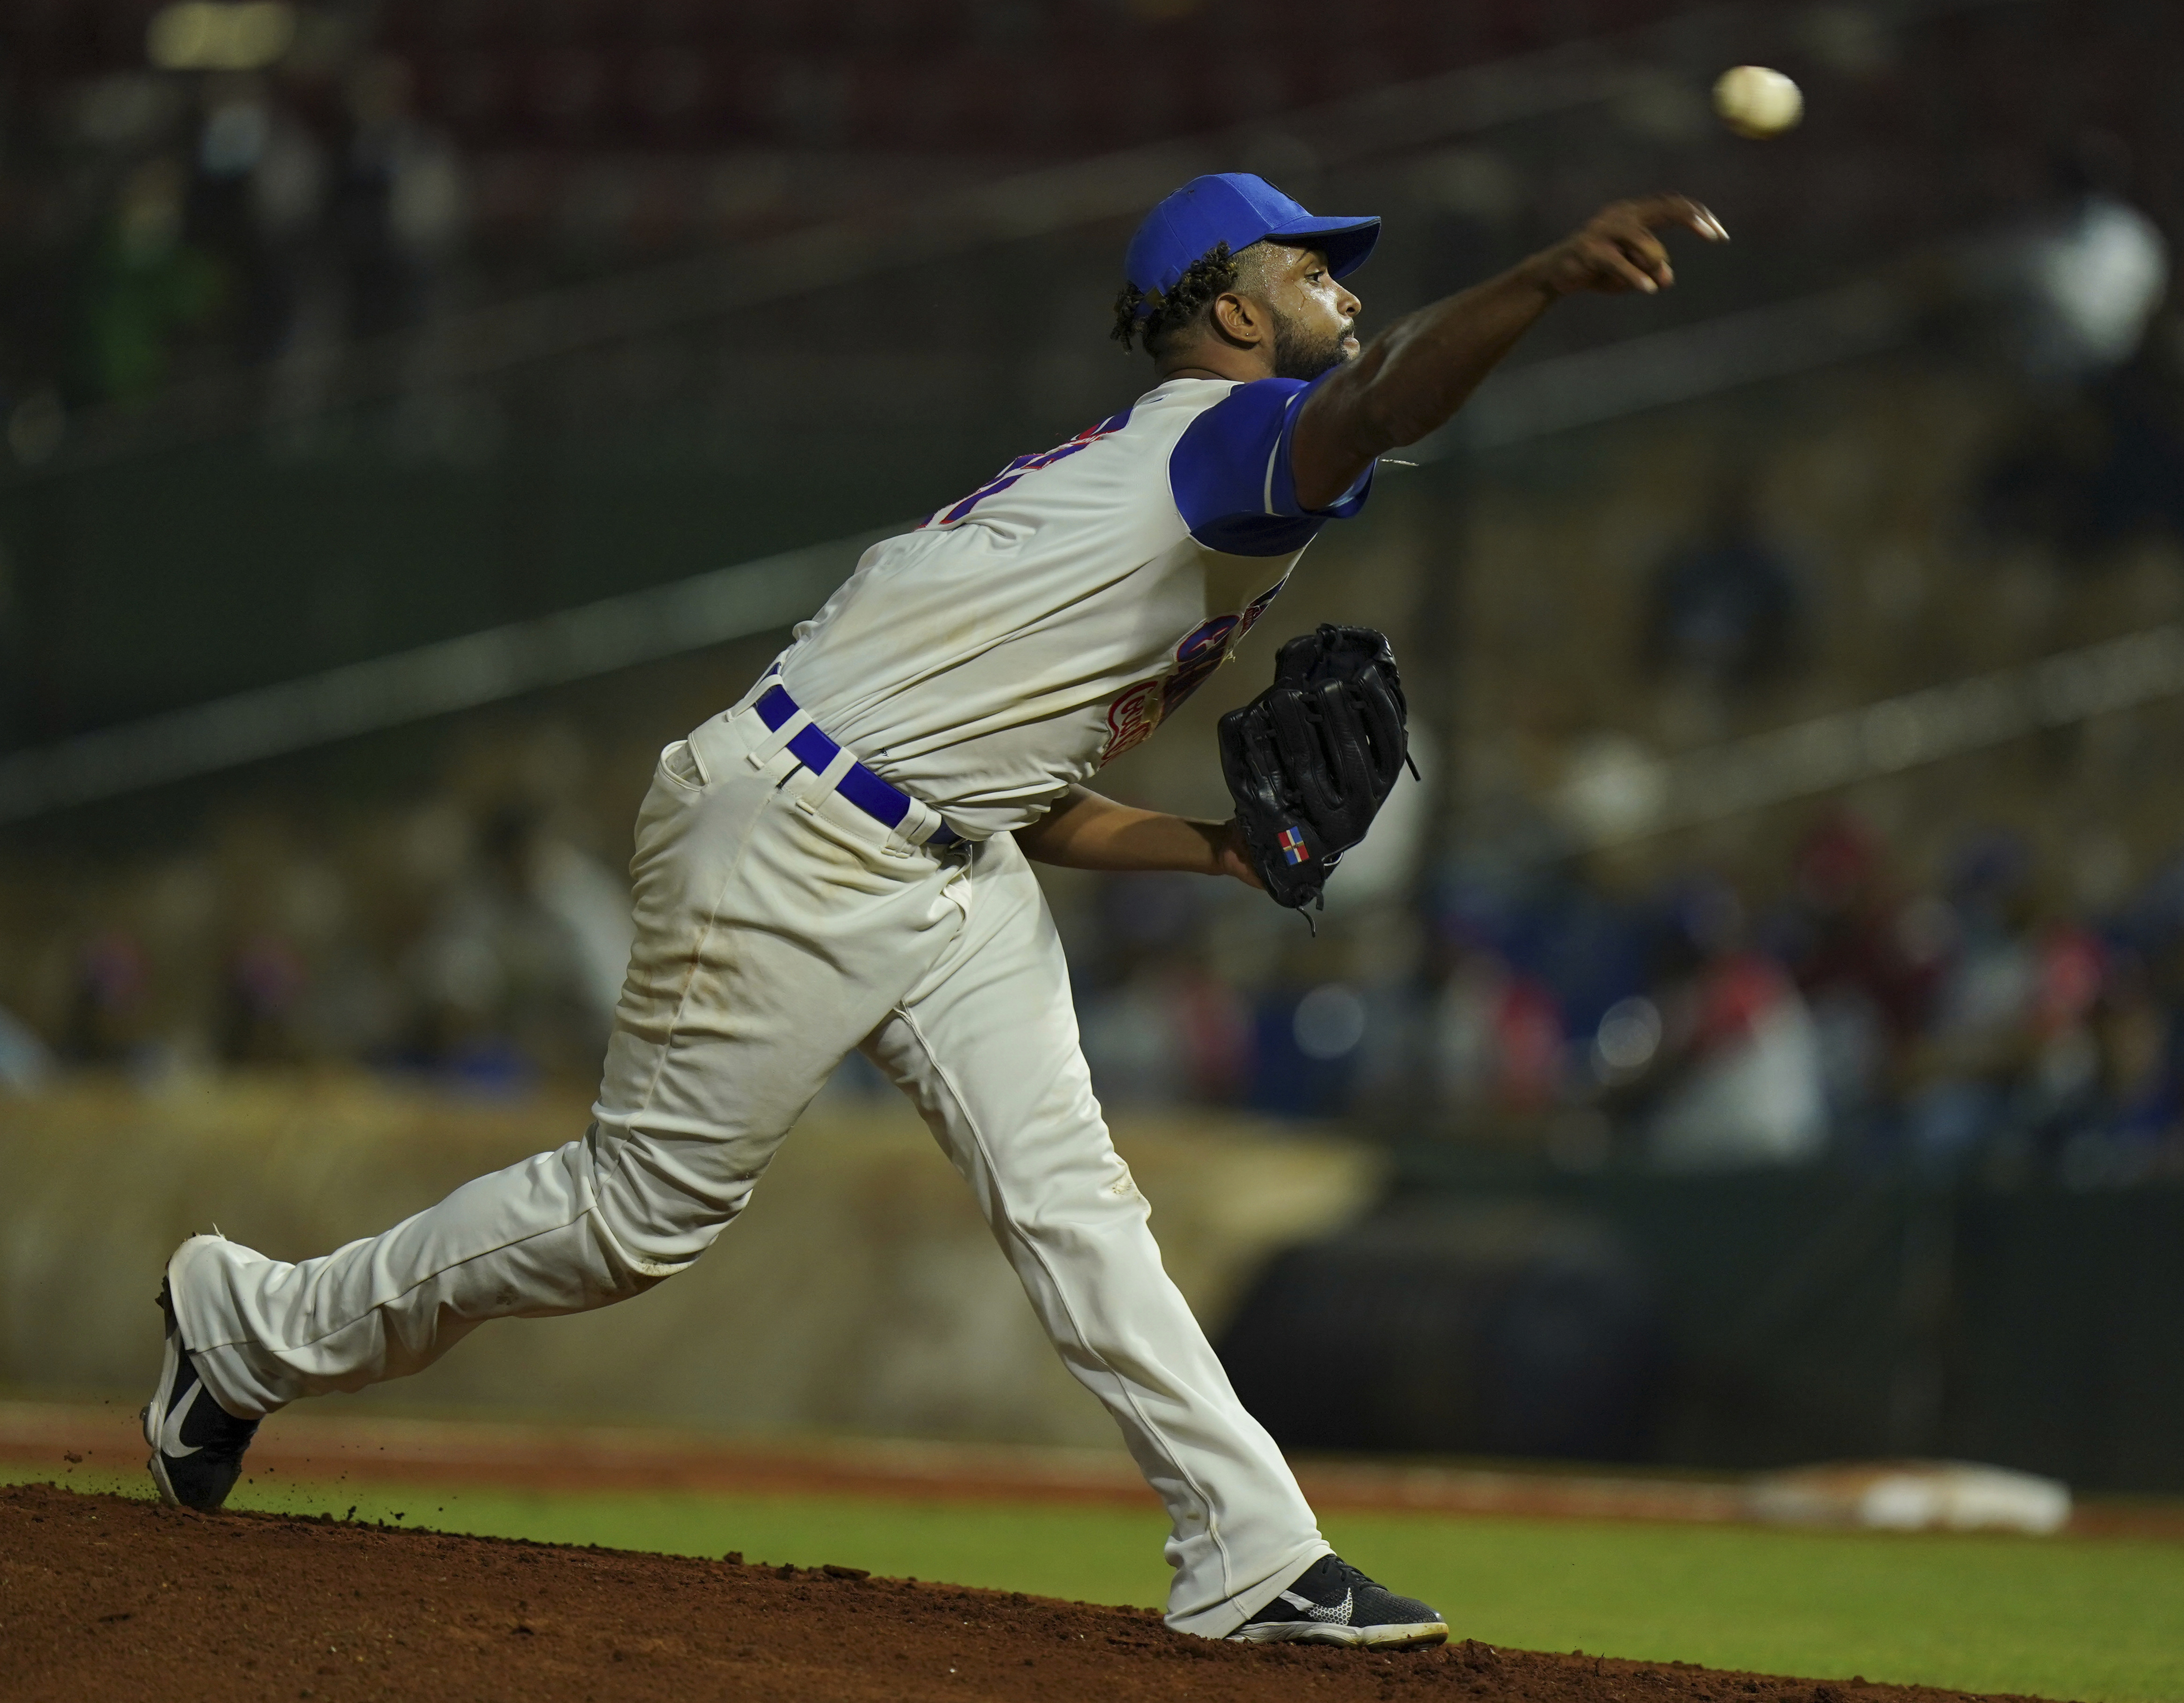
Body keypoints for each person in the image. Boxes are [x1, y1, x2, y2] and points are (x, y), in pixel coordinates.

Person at [144, 172, 1722, 1645]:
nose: (1339, 291)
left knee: (1076, 1198)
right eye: (1310, 268)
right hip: (793, 835)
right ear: (1236, 316)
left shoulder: (1155, 488)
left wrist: (1225, 851)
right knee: (640, 1219)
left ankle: (1252, 1552)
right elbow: (1384, 402)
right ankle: (256, 1324)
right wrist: (1539, 281)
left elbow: (1028, 793)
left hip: (944, 852)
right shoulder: (1231, 445)